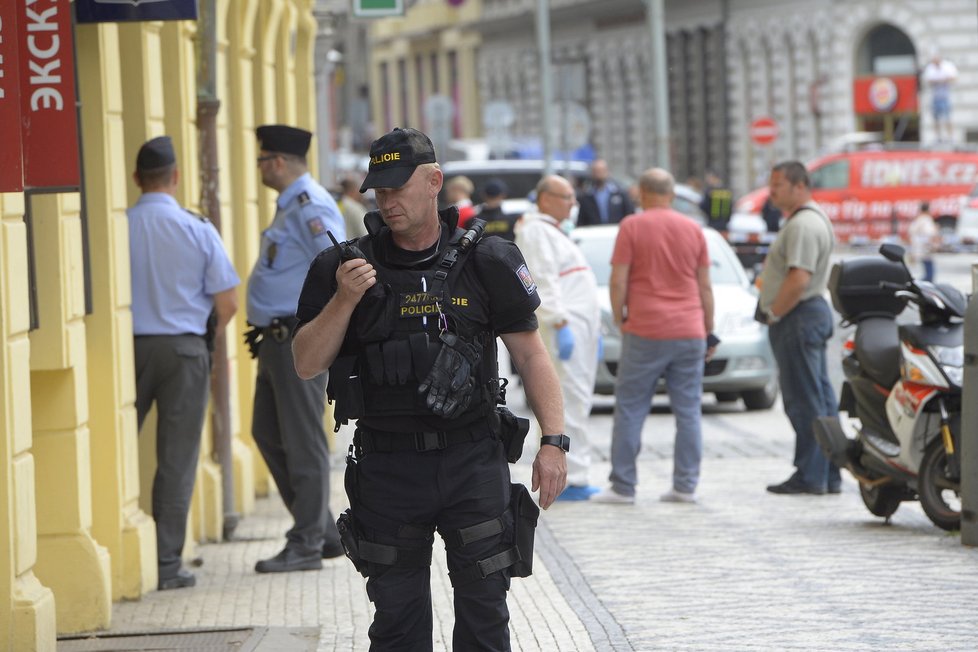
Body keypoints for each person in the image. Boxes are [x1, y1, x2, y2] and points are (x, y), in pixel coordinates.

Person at [292, 127, 567, 650]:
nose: (387, 200)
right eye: (380, 190)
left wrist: (554, 442)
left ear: (435, 181)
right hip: (387, 469)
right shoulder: (342, 266)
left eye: (399, 187)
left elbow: (531, 353)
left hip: (472, 460)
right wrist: (345, 300)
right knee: (397, 624)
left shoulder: (486, 260)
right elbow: (306, 363)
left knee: (486, 615)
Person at [127, 136, 240, 590]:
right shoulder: (197, 228)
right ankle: (166, 563)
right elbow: (228, 302)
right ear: (175, 177)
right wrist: (203, 340)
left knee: (119, 446)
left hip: (128, 349)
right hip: (185, 349)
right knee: (176, 458)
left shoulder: (120, 225)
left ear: (137, 180)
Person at [246, 124, 346, 573]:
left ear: (279, 163)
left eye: (263, 160)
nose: (261, 168)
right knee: (267, 432)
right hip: (274, 340)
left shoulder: (310, 206)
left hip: (296, 340)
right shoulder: (290, 206)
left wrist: (322, 332)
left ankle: (306, 542)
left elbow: (340, 264)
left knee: (302, 443)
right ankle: (321, 532)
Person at [592, 168, 715, 505]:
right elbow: (705, 285)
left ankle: (623, 486)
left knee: (631, 407)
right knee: (689, 409)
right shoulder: (694, 229)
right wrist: (708, 328)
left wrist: (621, 318)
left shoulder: (632, 226)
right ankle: (685, 486)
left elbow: (618, 280)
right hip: (690, 328)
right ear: (672, 195)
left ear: (641, 194)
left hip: (645, 328)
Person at [516, 174, 602, 501]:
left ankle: (579, 471)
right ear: (546, 198)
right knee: (567, 400)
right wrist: (561, 323)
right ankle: (572, 476)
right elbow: (544, 280)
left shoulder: (552, 231)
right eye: (566, 197)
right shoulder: (535, 231)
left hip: (580, 328)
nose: (573, 203)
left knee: (578, 399)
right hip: (563, 327)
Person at [757, 160, 840, 496]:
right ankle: (829, 471)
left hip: (798, 316)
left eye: (777, 185)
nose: (771, 191)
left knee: (805, 400)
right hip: (806, 314)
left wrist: (774, 313)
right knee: (819, 397)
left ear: (799, 185)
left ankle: (811, 474)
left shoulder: (804, 224)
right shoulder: (805, 219)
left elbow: (799, 277)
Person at [575, 159, 634, 226]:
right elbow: (581, 220)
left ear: (607, 172)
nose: (599, 174)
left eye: (601, 171)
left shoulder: (620, 193)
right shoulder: (585, 197)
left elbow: (629, 215)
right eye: (596, 171)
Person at [922, 50, 958, 143]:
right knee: (936, 118)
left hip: (946, 96)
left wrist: (939, 80)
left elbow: (953, 78)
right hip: (935, 97)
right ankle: (938, 137)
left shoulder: (947, 66)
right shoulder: (930, 68)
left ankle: (950, 137)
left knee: (948, 117)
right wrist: (941, 80)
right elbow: (928, 80)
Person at [908, 201, 940, 282]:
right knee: (929, 272)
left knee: (926, 268)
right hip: (926, 248)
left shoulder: (918, 220)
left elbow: (911, 233)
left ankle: (924, 281)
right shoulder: (927, 220)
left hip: (918, 248)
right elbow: (931, 233)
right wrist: (935, 244)